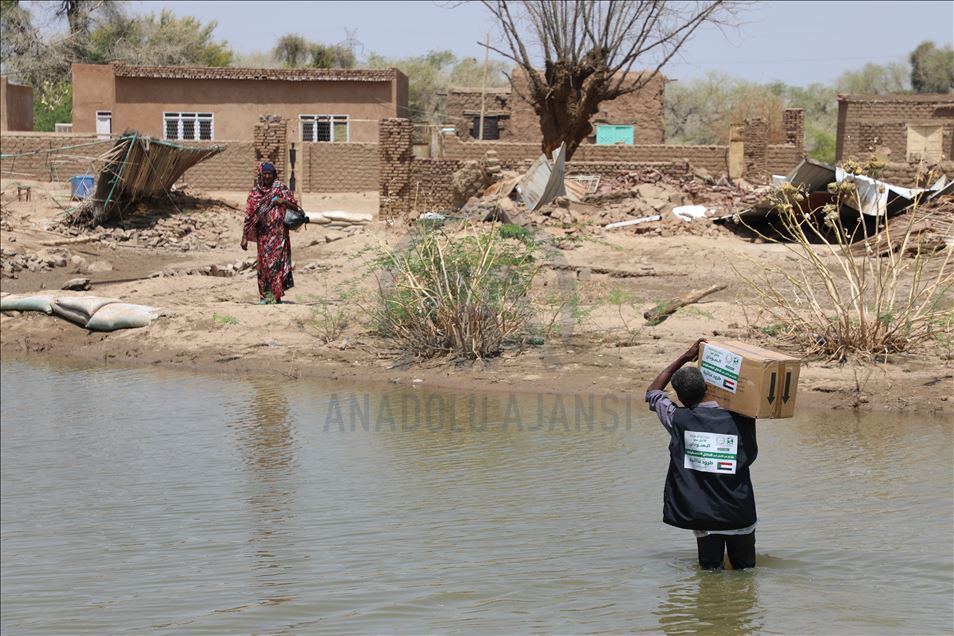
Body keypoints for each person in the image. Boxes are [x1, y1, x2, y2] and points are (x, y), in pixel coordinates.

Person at [646, 338, 758, 571]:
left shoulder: (677, 419)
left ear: (679, 397)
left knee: (710, 576)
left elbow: (653, 391)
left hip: (704, 517)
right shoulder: (742, 418)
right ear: (708, 388)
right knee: (746, 573)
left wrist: (686, 357)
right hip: (740, 513)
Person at [242, 162, 300, 304]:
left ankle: (277, 296)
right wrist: (244, 236)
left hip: (279, 234)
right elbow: (249, 216)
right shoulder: (255, 193)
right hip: (263, 236)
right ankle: (264, 297)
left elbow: (295, 207)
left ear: (274, 175)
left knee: (277, 265)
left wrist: (282, 201)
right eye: (265, 173)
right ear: (261, 174)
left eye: (270, 174)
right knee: (263, 265)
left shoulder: (280, 189)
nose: (267, 176)